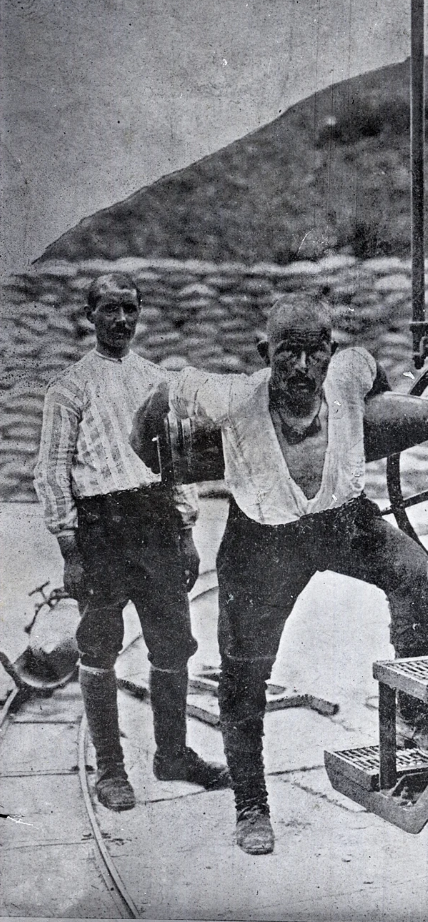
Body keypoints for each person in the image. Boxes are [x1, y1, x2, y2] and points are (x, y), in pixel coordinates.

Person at [159, 293, 428, 855]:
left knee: (419, 575)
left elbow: (371, 375)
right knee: (243, 675)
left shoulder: (347, 374)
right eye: (288, 352)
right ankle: (251, 804)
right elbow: (166, 392)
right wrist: (158, 464)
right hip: (262, 541)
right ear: (266, 352)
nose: (303, 367)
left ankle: (413, 714)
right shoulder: (234, 396)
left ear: (329, 351)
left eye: (315, 353)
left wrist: (370, 422)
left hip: (342, 522)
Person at [34, 273, 231, 812]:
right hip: (101, 529)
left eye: (130, 309)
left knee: (173, 643)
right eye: (110, 309)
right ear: (90, 315)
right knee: (99, 645)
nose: (121, 320)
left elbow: (178, 464)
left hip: (156, 524)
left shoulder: (156, 382)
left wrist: (186, 532)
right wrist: (70, 549)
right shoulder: (69, 388)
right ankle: (111, 769)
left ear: (139, 314)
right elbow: (52, 472)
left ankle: (173, 756)